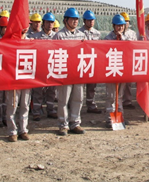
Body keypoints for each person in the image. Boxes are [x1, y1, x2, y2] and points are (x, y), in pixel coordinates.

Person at [53, 8, 86, 136]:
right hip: (64, 72)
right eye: (72, 19)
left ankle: (75, 123)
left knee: (78, 98)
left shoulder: (81, 35)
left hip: (77, 71)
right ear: (65, 20)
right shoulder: (59, 35)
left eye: (76, 19)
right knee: (63, 100)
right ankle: (63, 124)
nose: (75, 22)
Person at [104, 14, 135, 128]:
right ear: (113, 26)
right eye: (118, 26)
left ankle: (119, 116)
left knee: (120, 95)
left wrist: (122, 38)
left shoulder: (127, 39)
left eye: (121, 26)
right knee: (111, 96)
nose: (120, 28)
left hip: (123, 70)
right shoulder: (108, 38)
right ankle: (109, 118)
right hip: (112, 70)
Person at [30, 12, 58, 121]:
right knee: (38, 91)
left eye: (51, 22)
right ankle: (36, 111)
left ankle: (50, 110)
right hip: (39, 67)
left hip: (52, 66)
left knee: (51, 90)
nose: (50, 24)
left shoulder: (57, 36)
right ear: (43, 23)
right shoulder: (35, 37)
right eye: (48, 22)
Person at [79, 10, 102, 114]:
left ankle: (91, 105)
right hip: (81, 62)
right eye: (89, 20)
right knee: (79, 87)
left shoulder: (97, 34)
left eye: (92, 20)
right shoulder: (79, 33)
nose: (91, 22)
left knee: (92, 86)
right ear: (84, 21)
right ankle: (76, 105)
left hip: (93, 62)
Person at [120, 12, 137, 110]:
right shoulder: (115, 33)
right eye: (124, 21)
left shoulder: (132, 33)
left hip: (129, 60)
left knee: (128, 84)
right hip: (118, 61)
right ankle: (119, 102)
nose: (125, 24)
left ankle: (127, 101)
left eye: (127, 21)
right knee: (119, 84)